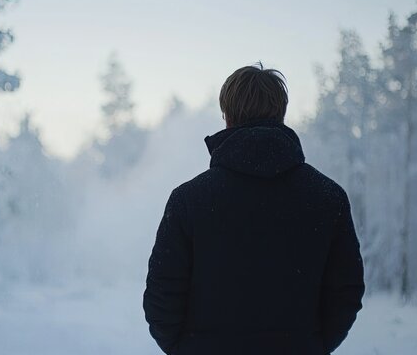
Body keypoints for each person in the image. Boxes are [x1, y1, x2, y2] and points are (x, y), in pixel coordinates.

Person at [143, 63, 365, 355]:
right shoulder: (328, 197)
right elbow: (345, 292)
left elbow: (162, 298)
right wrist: (313, 345)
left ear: (228, 117)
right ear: (281, 114)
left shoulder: (188, 200)